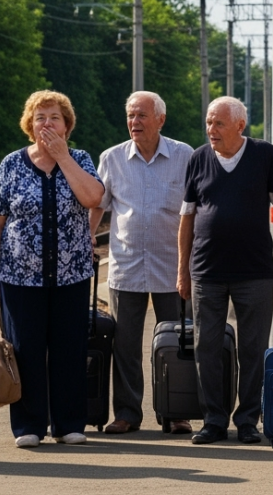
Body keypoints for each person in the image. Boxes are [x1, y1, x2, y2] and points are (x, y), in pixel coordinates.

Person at [178, 97, 273, 445]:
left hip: (254, 270)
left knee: (253, 348)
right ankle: (213, 420)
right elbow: (187, 217)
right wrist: (183, 270)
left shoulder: (264, 154)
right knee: (206, 348)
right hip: (207, 270)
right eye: (208, 123)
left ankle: (248, 420)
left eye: (218, 123)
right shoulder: (198, 158)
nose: (211, 130)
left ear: (239, 125)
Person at [0, 90, 105, 449]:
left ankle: (68, 424)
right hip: (19, 277)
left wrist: (63, 158)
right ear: (29, 125)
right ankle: (28, 426)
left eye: (54, 117)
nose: (46, 123)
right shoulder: (12, 164)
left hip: (71, 275)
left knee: (69, 349)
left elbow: (93, 198)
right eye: (40, 117)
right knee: (25, 351)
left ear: (67, 125)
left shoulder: (79, 159)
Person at [90, 91, 194, 436]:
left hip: (173, 266)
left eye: (142, 116)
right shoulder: (112, 158)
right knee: (125, 346)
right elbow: (98, 206)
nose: (135, 122)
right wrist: (88, 237)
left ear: (160, 119)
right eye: (131, 116)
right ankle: (127, 413)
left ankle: (177, 412)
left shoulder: (184, 156)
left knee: (179, 342)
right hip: (127, 265)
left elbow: (195, 209)